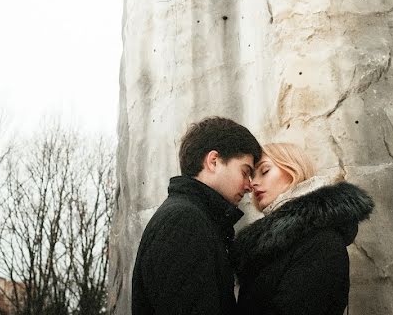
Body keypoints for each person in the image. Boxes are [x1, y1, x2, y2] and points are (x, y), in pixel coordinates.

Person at [132, 116, 262, 315]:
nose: (249, 186)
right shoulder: (184, 222)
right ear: (213, 161)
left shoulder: (196, 218)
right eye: (245, 172)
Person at [233, 143, 374, 315]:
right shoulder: (267, 246)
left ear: (294, 170)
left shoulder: (321, 242)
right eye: (251, 176)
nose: (253, 184)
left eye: (265, 171)